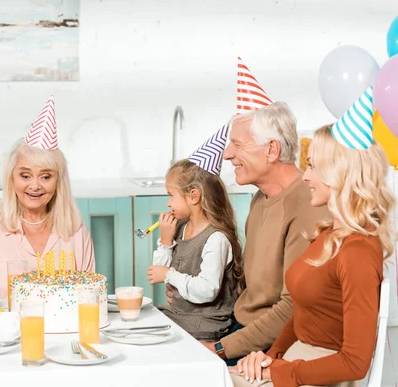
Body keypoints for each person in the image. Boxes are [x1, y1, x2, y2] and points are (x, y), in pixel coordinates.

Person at [232, 88, 395, 386]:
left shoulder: (358, 250)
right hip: (296, 359)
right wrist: (273, 357)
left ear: (341, 174)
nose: (305, 177)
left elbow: (356, 363)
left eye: (313, 167)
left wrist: (282, 371)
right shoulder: (330, 235)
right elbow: (303, 312)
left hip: (318, 373)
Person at [178, 101, 332, 364]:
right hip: (239, 328)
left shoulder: (308, 205)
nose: (227, 154)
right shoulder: (260, 200)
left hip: (268, 342)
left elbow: (294, 308)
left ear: (272, 149)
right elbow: (252, 288)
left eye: (237, 144)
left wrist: (219, 348)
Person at [0, 96, 95, 300]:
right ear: (12, 177)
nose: (35, 186)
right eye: (25, 175)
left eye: (45, 176)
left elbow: (90, 299)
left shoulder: (76, 232)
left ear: (58, 181)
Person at [147, 125, 244, 341]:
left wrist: (169, 275)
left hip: (204, 326)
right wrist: (165, 240)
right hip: (179, 317)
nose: (168, 202)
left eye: (171, 195)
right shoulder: (181, 229)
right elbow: (160, 274)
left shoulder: (216, 239)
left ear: (193, 196)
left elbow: (207, 289)